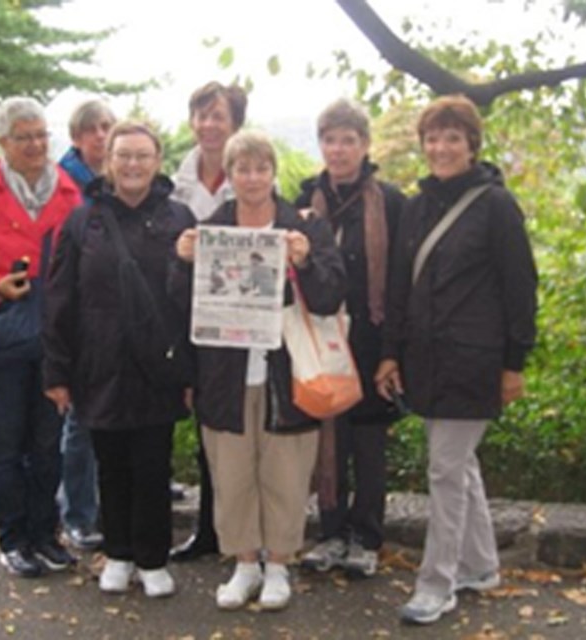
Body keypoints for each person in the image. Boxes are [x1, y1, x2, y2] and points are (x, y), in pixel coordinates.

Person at [375, 96, 539, 626]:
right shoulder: (418, 206)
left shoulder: (495, 206)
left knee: (445, 468)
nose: (440, 148)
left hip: (473, 361)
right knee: (458, 465)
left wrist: (513, 363)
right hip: (425, 359)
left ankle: (437, 583)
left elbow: (521, 288)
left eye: (452, 138)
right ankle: (481, 564)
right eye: (432, 138)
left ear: (472, 144)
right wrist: (390, 354)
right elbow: (400, 284)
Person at [173, 131, 347, 611]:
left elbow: (332, 295)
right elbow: (180, 305)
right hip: (225, 376)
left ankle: (279, 566)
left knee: (285, 475)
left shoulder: (305, 228)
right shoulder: (211, 228)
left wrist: (307, 262)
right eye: (242, 169)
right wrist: (183, 262)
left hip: (287, 376)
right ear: (229, 176)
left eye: (260, 168)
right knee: (231, 475)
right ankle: (244, 564)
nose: (252, 178)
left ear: (273, 173)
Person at [43, 123, 195, 599]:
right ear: (108, 160)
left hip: (159, 363)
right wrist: (58, 372)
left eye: (143, 156)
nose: (133, 165)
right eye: (124, 156)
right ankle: (119, 552)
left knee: (153, 463)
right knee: (109, 463)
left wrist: (193, 371)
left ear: (157, 161)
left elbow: (195, 303)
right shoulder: (81, 220)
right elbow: (60, 298)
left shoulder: (179, 218)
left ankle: (153, 559)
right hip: (100, 361)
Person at [0, 97, 81, 578]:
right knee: (7, 445)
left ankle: (45, 534)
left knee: (48, 443)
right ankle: (14, 538)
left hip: (53, 336)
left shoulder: (69, 193)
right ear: (3, 143)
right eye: (24, 136)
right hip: (3, 336)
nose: (35, 145)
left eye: (41, 135)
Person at [295, 99, 406, 579]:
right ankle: (331, 531)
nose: (338, 150)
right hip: (320, 338)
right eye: (330, 140)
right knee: (327, 438)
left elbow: (401, 283)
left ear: (365, 145)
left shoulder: (391, 202)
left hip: (371, 338)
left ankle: (367, 536)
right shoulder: (302, 203)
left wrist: (392, 353)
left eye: (348, 140)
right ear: (320, 145)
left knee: (368, 444)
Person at [170, 82, 249, 562]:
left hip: (244, 322)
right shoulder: (176, 183)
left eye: (218, 116)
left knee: (245, 432)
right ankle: (209, 530)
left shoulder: (255, 173)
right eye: (201, 116)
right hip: (191, 321)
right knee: (206, 432)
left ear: (235, 122)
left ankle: (245, 532)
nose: (209, 125)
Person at [56, 99, 117, 551]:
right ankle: (77, 513)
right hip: (80, 324)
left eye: (107, 127)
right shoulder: (68, 187)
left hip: (115, 324)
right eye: (93, 129)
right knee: (79, 423)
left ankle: (96, 505)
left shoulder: (109, 184)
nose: (102, 135)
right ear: (77, 137)